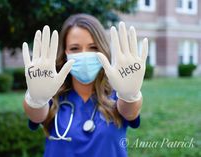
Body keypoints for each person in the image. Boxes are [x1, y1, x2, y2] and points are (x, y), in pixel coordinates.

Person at [22, 14, 148, 157]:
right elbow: (36, 116)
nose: (85, 54)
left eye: (93, 47)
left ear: (103, 49)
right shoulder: (50, 90)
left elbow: (130, 112)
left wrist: (130, 95)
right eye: (75, 48)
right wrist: (36, 100)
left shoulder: (118, 90)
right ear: (65, 53)